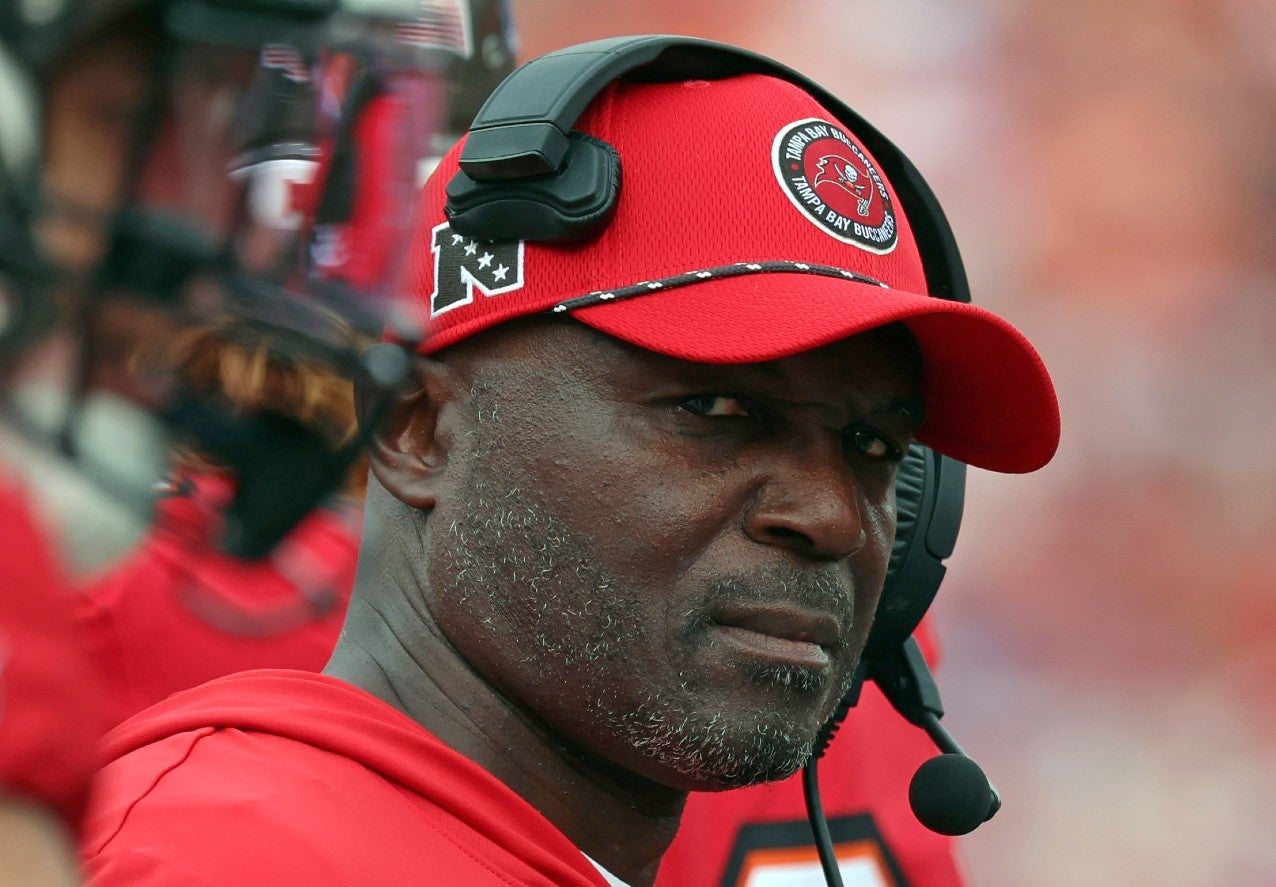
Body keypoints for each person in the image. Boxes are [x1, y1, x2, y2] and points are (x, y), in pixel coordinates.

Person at [82, 37, 1060, 887]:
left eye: (874, 446)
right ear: (416, 428)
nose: (832, 514)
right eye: (716, 407)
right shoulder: (229, 856)